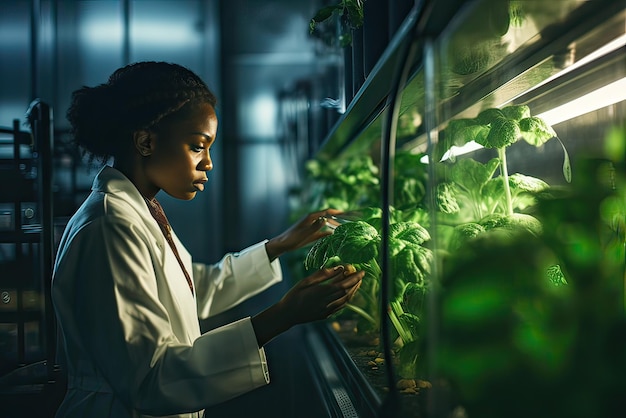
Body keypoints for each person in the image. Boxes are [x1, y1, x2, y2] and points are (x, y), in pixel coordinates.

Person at [51, 61, 364, 418]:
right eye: (198, 146)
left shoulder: (141, 211)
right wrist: (284, 315)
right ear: (146, 141)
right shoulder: (110, 226)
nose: (208, 164)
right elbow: (150, 377)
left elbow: (190, 289)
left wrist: (280, 245)